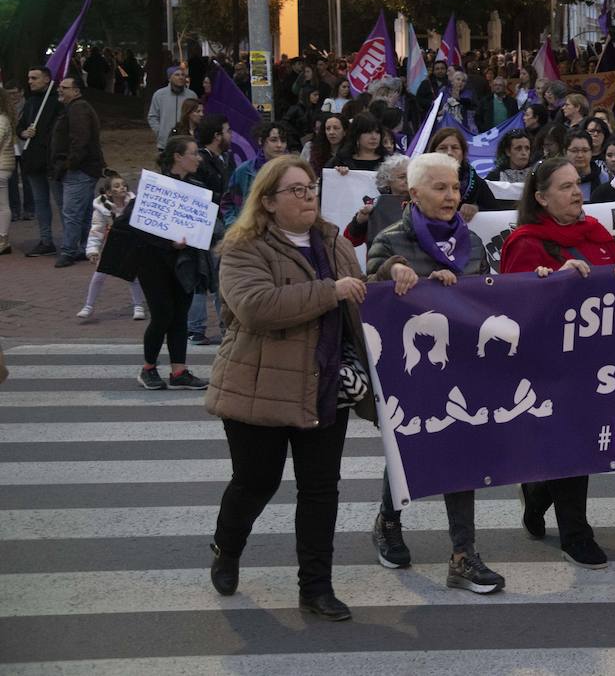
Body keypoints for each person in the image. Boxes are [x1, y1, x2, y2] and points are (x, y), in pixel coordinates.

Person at [206, 155, 374, 621]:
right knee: (255, 482)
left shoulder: (333, 241)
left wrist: (392, 274)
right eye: (296, 190)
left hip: (324, 387)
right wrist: (330, 291)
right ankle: (228, 546)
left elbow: (357, 292)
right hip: (259, 387)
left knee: (321, 490)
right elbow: (257, 307)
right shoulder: (243, 247)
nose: (308, 197)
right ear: (269, 201)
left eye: (311, 187)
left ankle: (316, 586)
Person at [362, 152, 506, 592]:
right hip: (411, 370)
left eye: (455, 187)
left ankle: (463, 555)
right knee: (407, 446)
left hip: (461, 367)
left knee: (461, 451)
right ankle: (389, 521)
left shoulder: (473, 244)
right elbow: (368, 290)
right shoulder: (390, 240)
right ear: (414, 192)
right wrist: (393, 272)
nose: (450, 196)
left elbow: (489, 300)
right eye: (440, 188)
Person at [501, 157, 615, 569]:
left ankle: (536, 492)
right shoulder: (526, 242)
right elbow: (513, 310)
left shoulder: (596, 234)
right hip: (550, 366)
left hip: (599, 362)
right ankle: (576, 536)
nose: (576, 192)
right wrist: (553, 282)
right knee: (572, 445)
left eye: (577, 183)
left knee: (584, 444)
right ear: (542, 198)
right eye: (564, 187)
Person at [130, 136, 212, 390]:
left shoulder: (196, 186)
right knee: (163, 313)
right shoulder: (155, 187)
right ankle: (148, 368)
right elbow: (140, 227)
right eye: (193, 153)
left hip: (184, 261)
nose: (198, 158)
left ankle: (179, 371)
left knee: (180, 316)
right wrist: (169, 244)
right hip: (153, 261)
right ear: (178, 156)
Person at [188, 116, 235, 345]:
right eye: (227, 131)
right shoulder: (203, 162)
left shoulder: (224, 158)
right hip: (208, 225)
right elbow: (203, 194)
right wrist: (225, 201)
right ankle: (198, 328)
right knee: (207, 275)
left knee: (217, 276)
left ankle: (215, 326)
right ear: (217, 136)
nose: (230, 135)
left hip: (217, 223)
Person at [51, 74, 106, 268]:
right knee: (81, 212)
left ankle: (69, 250)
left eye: (65, 87)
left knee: (72, 212)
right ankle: (83, 247)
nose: (60, 89)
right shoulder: (73, 108)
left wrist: (70, 164)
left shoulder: (78, 109)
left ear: (76, 91)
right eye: (60, 86)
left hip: (80, 170)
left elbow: (79, 140)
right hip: (83, 168)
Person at [78, 171, 145, 319]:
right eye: (117, 186)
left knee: (133, 276)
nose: (122, 188)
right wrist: (93, 250)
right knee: (99, 276)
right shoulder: (102, 210)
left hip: (130, 245)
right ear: (109, 192)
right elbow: (96, 230)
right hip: (111, 246)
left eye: (123, 185)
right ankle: (88, 306)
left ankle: (138, 306)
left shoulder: (134, 205)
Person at [17, 67, 62, 256]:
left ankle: (71, 240)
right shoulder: (30, 102)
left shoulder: (57, 102)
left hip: (51, 161)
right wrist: (23, 132)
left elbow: (60, 130)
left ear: (46, 79)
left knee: (61, 202)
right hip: (33, 161)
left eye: (34, 78)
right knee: (40, 202)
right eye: (29, 78)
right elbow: (20, 126)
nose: (30, 81)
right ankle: (46, 240)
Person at [223, 122, 292, 228]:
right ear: (261, 141)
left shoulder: (293, 171)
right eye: (273, 140)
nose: (279, 145)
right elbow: (228, 202)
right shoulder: (244, 170)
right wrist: (233, 226)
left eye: (283, 141)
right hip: (248, 233)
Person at [426, 128, 499, 221]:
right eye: (443, 148)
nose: (449, 153)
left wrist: (476, 209)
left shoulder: (475, 181)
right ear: (433, 152)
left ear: (463, 153)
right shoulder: (422, 180)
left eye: (455, 148)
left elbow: (495, 211)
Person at [147, 65, 198, 152]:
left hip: (186, 140)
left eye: (183, 75)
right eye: (177, 75)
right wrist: (160, 132)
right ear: (170, 78)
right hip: (165, 142)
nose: (181, 77)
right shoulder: (159, 95)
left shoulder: (191, 95)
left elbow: (195, 116)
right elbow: (152, 116)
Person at [564, 130, 609, 199]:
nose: (580, 155)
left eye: (585, 150)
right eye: (574, 151)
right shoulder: (559, 179)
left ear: (591, 152)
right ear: (565, 152)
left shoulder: (603, 178)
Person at [0, 83, 13, 255]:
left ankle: (2, 238)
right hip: (4, 165)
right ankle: (3, 237)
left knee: (2, 204)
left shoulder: (1, 119)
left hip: (1, 166)